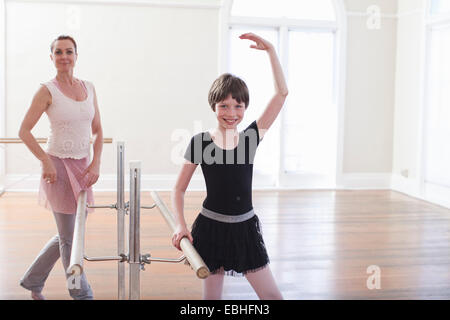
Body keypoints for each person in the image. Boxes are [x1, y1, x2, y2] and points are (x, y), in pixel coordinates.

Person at [171, 33, 288, 300]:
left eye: (238, 106)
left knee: (272, 296)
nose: (231, 112)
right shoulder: (199, 142)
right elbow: (178, 189)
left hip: (244, 229)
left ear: (246, 107)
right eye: (224, 105)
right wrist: (180, 225)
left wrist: (270, 50)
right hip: (210, 228)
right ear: (213, 106)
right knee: (211, 299)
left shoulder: (250, 138)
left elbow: (282, 94)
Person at [18, 35, 103, 300]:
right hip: (57, 170)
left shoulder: (89, 87)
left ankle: (33, 280)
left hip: (83, 169)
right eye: (58, 52)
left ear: (76, 56)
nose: (64, 56)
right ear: (52, 57)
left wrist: (96, 162)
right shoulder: (46, 90)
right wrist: (45, 161)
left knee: (68, 235)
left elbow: (98, 130)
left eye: (69, 51)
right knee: (70, 239)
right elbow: (24, 131)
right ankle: (81, 294)